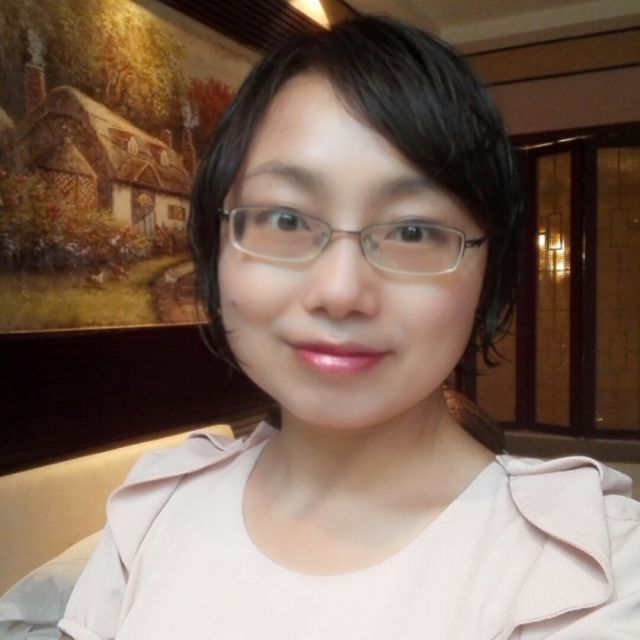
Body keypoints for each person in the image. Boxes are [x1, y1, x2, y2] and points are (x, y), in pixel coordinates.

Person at [59, 16, 640, 640]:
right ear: (215, 242)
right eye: (285, 220)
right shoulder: (152, 513)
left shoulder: (587, 576)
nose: (339, 292)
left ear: (489, 270)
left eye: (413, 230)